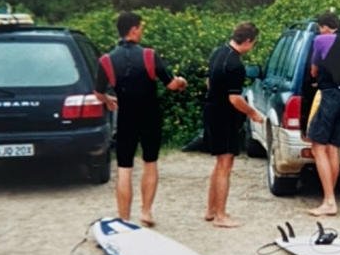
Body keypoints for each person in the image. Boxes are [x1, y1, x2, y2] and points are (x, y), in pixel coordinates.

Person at [93, 12, 188, 226]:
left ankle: (124, 219)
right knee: (150, 164)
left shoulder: (106, 60)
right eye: (141, 27)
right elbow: (172, 85)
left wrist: (108, 99)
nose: (142, 31)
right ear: (134, 29)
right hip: (150, 116)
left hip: (126, 117)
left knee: (124, 168)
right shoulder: (149, 55)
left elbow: (98, 93)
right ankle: (146, 212)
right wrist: (182, 82)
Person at [203, 22, 263, 228]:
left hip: (211, 111)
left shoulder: (218, 53)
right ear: (247, 41)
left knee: (219, 163)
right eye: (253, 43)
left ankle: (211, 210)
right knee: (225, 165)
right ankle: (220, 215)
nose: (252, 47)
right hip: (224, 116)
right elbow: (235, 99)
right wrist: (253, 113)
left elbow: (208, 83)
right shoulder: (236, 65)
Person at [305, 12, 340, 217]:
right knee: (333, 147)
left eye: (320, 27)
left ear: (325, 26)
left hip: (329, 95)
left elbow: (314, 71)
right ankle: (330, 196)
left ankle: (329, 201)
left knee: (318, 146)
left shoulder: (321, 40)